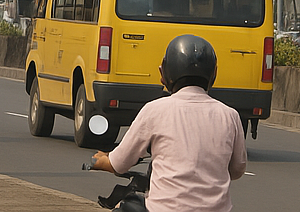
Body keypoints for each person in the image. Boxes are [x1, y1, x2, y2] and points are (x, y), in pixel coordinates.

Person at [92, 34, 246, 212]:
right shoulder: (229, 115)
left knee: (124, 207)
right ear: (214, 74)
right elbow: (236, 170)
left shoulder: (155, 110)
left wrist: (100, 161)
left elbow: (119, 163)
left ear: (164, 74)